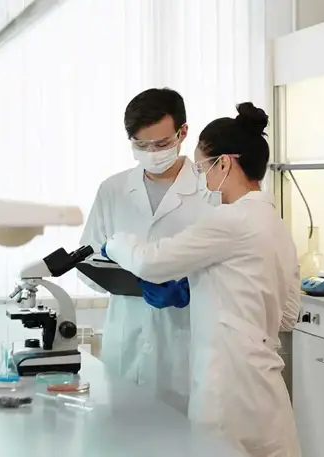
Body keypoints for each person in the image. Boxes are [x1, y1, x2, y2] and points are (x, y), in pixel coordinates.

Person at [100, 102, 302, 457]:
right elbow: (287, 315)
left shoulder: (228, 220)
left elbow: (151, 262)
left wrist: (114, 243)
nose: (201, 178)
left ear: (224, 163)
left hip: (225, 388)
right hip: (266, 385)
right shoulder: (274, 223)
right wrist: (202, 289)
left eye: (202, 167)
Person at [77, 88, 211, 414]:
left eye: (161, 144)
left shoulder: (210, 189)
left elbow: (229, 268)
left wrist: (189, 288)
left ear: (183, 132)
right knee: (123, 429)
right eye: (141, 145)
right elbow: (88, 257)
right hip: (126, 341)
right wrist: (117, 274)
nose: (152, 152)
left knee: (182, 433)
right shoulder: (113, 189)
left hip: (184, 342)